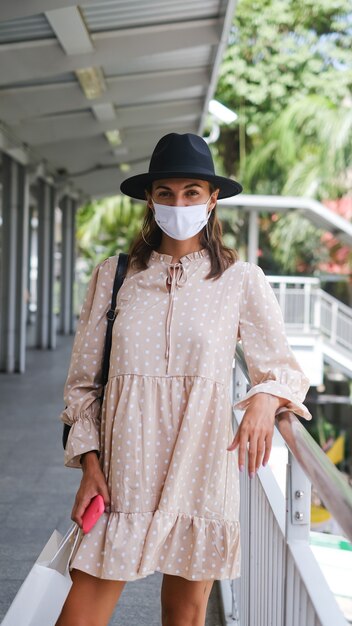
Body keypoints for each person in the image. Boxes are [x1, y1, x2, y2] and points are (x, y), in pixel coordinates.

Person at [56, 132, 312, 626]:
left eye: (192, 191)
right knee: (79, 614)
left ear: (212, 199)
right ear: (150, 200)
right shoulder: (114, 276)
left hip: (200, 472)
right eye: (167, 193)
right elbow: (82, 385)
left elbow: (281, 367)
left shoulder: (241, 280)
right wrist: (90, 463)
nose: (179, 203)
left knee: (185, 615)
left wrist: (263, 400)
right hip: (121, 474)